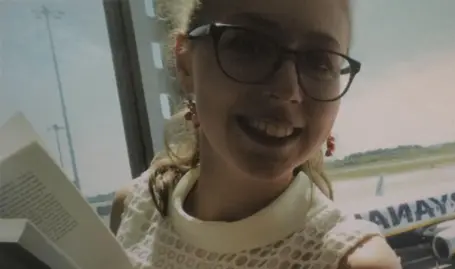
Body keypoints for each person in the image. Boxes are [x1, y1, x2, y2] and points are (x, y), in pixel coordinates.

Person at [110, 0, 401, 268]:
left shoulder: (352, 263)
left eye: (319, 63)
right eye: (249, 46)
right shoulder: (134, 210)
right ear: (186, 65)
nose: (287, 90)